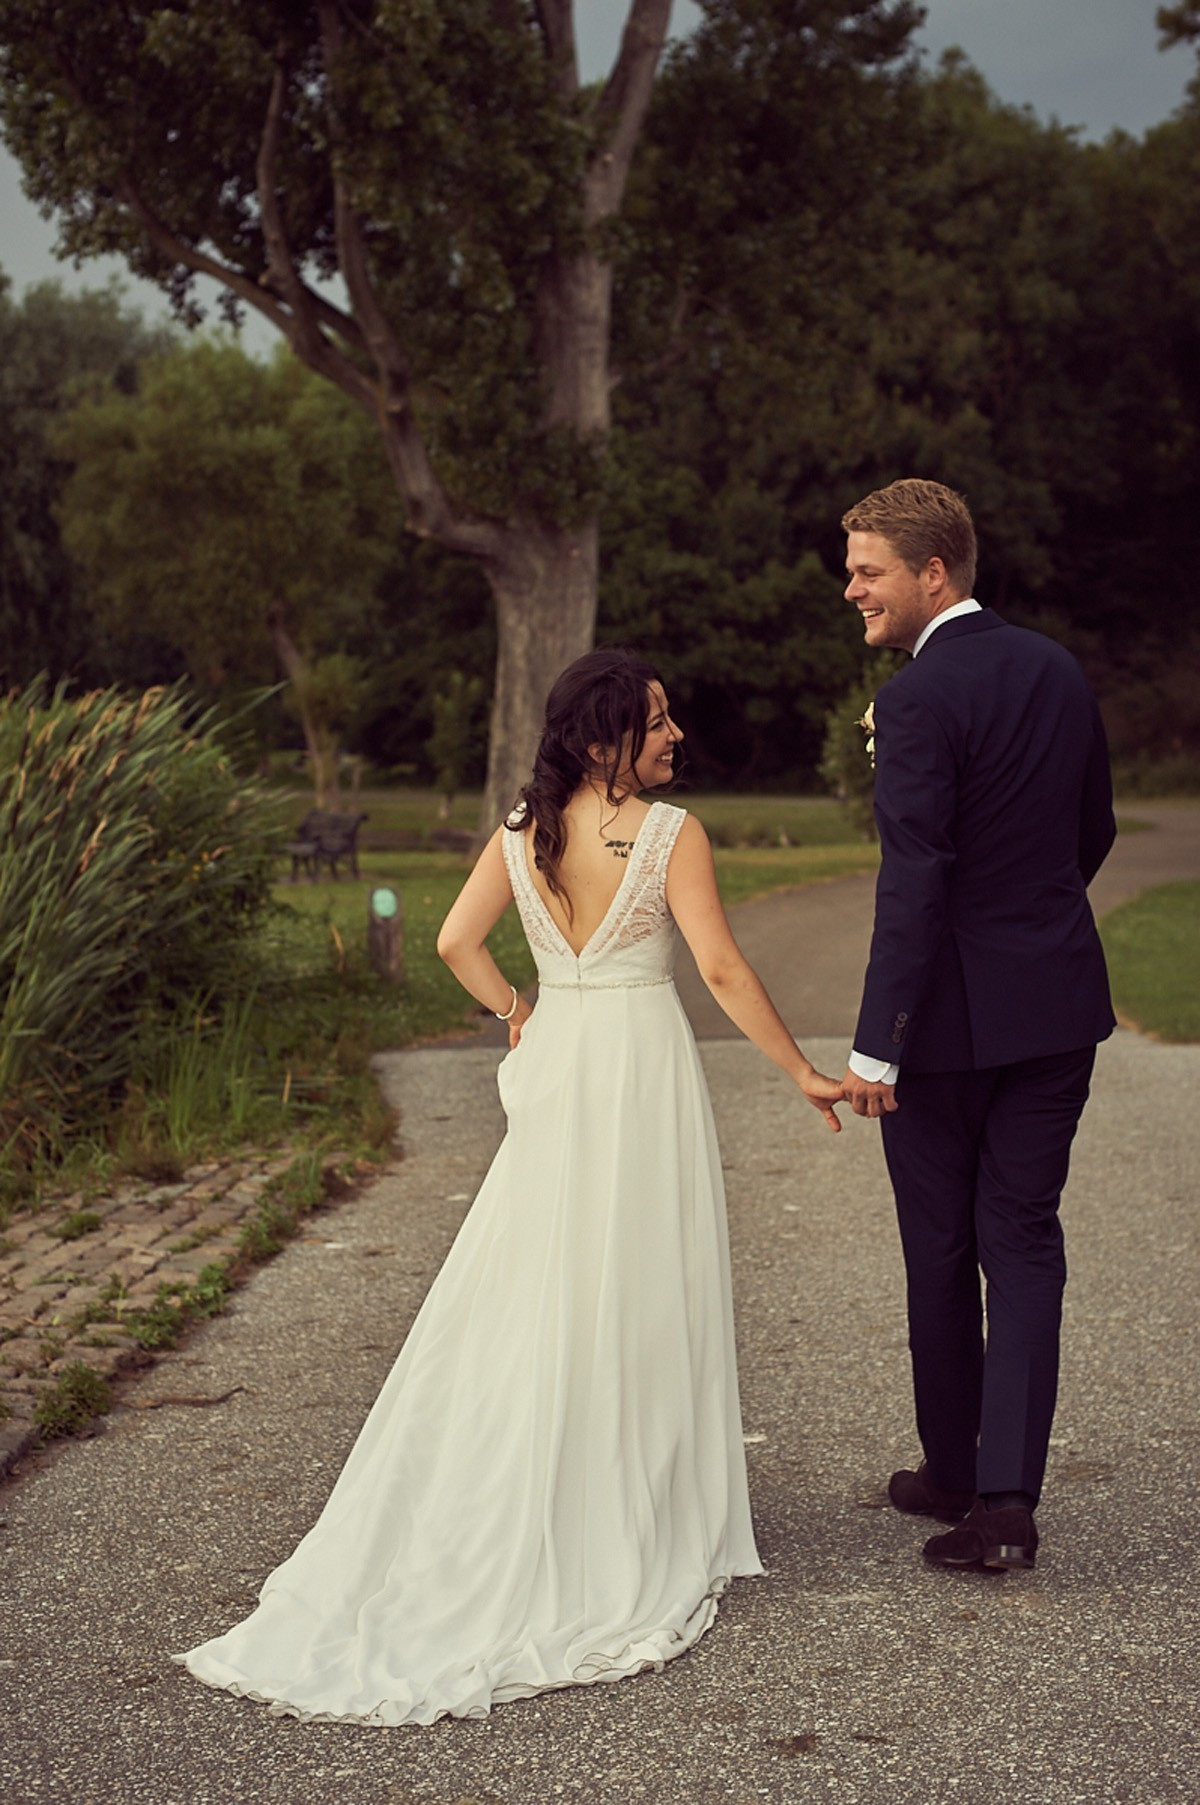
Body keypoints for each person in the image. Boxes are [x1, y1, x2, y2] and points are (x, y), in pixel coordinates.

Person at [175, 647, 844, 1724]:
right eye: (656, 721)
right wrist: (802, 1070)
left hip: (562, 1056)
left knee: (544, 1270)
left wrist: (519, 1013)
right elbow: (720, 970)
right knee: (636, 1272)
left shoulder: (522, 830)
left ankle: (544, 1472)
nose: (675, 735)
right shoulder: (670, 835)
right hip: (638, 1066)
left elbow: (455, 941)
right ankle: (626, 1503)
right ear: (603, 740)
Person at [840, 478, 1116, 1572]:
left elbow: (914, 880)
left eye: (869, 570)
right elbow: (1091, 829)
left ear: (932, 571)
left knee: (944, 1245)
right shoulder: (1057, 669)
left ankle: (956, 1471)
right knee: (1025, 1238)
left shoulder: (914, 700)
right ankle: (1001, 1502)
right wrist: (1031, 931)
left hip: (946, 1031)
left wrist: (876, 1044)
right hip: (1057, 1008)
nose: (853, 588)